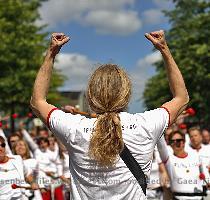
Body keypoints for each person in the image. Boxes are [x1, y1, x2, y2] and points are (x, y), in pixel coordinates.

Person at [30, 30, 189, 199]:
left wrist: (51, 54)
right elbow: (181, 98)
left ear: (90, 96)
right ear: (127, 94)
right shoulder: (146, 125)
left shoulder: (74, 128)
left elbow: (37, 101)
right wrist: (164, 49)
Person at [157, 131, 207, 200]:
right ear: (169, 144)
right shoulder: (168, 159)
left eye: (178, 140)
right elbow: (160, 145)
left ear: (184, 142)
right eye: (172, 141)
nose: (175, 143)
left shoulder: (195, 156)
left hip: (199, 197)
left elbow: (205, 177)